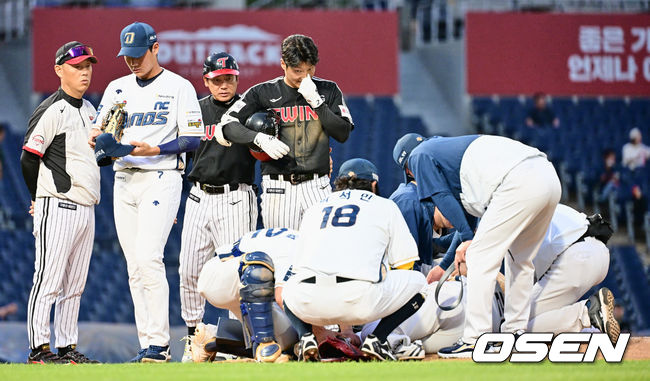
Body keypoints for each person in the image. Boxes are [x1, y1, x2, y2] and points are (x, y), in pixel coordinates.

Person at [89, 22, 204, 363]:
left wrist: (153, 149)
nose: (133, 62)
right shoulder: (116, 87)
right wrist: (99, 137)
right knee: (134, 267)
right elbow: (99, 127)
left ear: (155, 48)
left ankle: (160, 343)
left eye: (138, 55)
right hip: (124, 179)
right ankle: (149, 346)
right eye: (128, 56)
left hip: (161, 176)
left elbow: (193, 139)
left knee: (149, 257)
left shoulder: (179, 87)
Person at [406, 134, 561, 358]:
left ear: (409, 170)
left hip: (517, 181)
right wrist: (446, 265)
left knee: (479, 257)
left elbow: (442, 198)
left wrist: (470, 240)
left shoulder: (419, 156)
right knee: (521, 261)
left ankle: (474, 339)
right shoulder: (451, 156)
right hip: (548, 177)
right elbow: (466, 220)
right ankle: (515, 334)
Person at [283, 158, 427, 362]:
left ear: (338, 183)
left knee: (288, 288)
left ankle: (305, 337)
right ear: (374, 184)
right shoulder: (384, 205)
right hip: (359, 302)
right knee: (419, 283)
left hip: (308, 305)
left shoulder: (314, 209)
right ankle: (377, 340)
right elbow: (406, 265)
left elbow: (296, 267)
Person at [218, 34, 354, 230]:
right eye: (298, 70)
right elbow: (227, 125)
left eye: (310, 69)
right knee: (281, 253)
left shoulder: (328, 90)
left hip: (317, 185)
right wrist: (259, 139)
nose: (304, 76)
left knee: (319, 253)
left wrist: (316, 102)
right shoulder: (263, 92)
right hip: (278, 187)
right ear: (283, 64)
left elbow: (343, 133)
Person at [20, 41, 100, 364]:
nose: (84, 73)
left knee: (75, 285)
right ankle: (39, 350)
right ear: (58, 70)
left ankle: (67, 348)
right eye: (77, 66)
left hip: (87, 206)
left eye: (87, 66)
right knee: (48, 280)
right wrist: (37, 199)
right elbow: (28, 158)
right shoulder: (52, 108)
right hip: (58, 203)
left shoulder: (92, 110)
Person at [178, 52, 258, 363]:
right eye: (217, 79)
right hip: (198, 197)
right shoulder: (195, 110)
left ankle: (238, 343)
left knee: (237, 275)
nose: (223, 85)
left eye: (229, 79)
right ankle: (193, 339)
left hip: (235, 197)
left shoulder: (249, 111)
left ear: (237, 80)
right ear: (206, 81)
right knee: (188, 271)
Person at [194, 228, 300, 362]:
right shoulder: (295, 248)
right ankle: (264, 346)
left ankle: (211, 336)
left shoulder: (301, 241)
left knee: (289, 342)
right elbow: (281, 298)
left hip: (242, 283)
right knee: (258, 271)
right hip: (220, 273)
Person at [390, 133, 435, 273]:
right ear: (409, 170)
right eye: (420, 157)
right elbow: (407, 264)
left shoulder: (429, 193)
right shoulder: (407, 201)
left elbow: (427, 245)